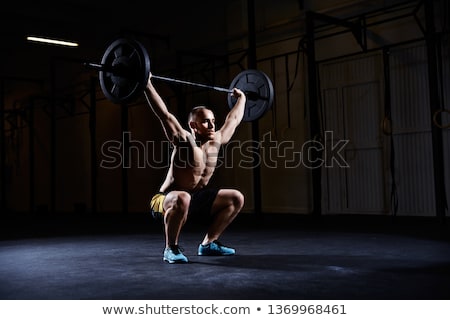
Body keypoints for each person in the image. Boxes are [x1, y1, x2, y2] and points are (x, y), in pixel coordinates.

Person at [145, 73, 247, 263]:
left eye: (213, 121)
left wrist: (242, 98)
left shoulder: (216, 140)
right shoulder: (184, 141)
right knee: (182, 197)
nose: (212, 125)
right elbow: (164, 115)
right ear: (193, 125)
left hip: (193, 199)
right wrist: (146, 84)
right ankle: (171, 249)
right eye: (206, 121)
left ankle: (208, 244)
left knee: (236, 198)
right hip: (165, 200)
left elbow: (233, 119)